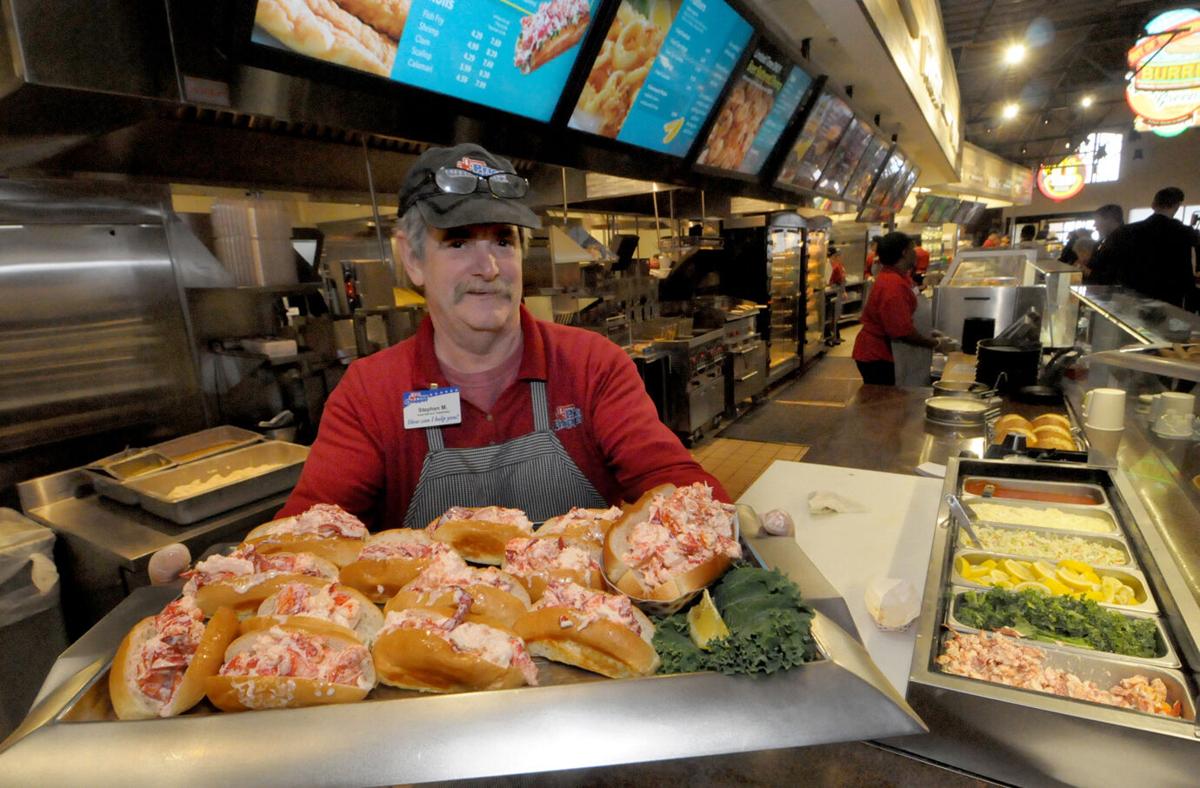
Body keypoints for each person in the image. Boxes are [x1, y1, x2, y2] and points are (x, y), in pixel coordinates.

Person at [277, 143, 726, 529]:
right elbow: (309, 531)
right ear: (411, 258)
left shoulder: (592, 364)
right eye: (458, 243)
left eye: (503, 242)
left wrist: (725, 524)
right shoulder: (370, 393)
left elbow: (671, 479)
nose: (488, 268)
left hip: (582, 621)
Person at [851, 232, 955, 385]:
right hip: (878, 356)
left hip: (888, 352)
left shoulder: (899, 277)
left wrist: (927, 331)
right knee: (887, 403)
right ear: (904, 253)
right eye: (912, 249)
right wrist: (935, 343)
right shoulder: (892, 285)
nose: (916, 254)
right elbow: (901, 331)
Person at [1093, 188, 1199, 307]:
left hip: (1132, 297)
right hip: (1170, 298)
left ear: (1153, 205)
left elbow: (1104, 266)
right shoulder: (1185, 233)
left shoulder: (1127, 231)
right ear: (1177, 206)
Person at [1083, 204, 1125, 285]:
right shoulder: (1104, 240)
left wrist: (1088, 272)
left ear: (1109, 220)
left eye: (1097, 221)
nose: (1094, 225)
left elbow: (1114, 276)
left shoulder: (1123, 240)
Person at [827, 246, 847, 345]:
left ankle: (836, 336)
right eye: (838, 255)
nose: (840, 257)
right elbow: (831, 281)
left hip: (838, 290)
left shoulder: (838, 265)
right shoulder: (832, 266)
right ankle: (833, 337)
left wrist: (843, 290)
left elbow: (842, 279)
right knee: (833, 316)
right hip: (835, 291)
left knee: (836, 315)